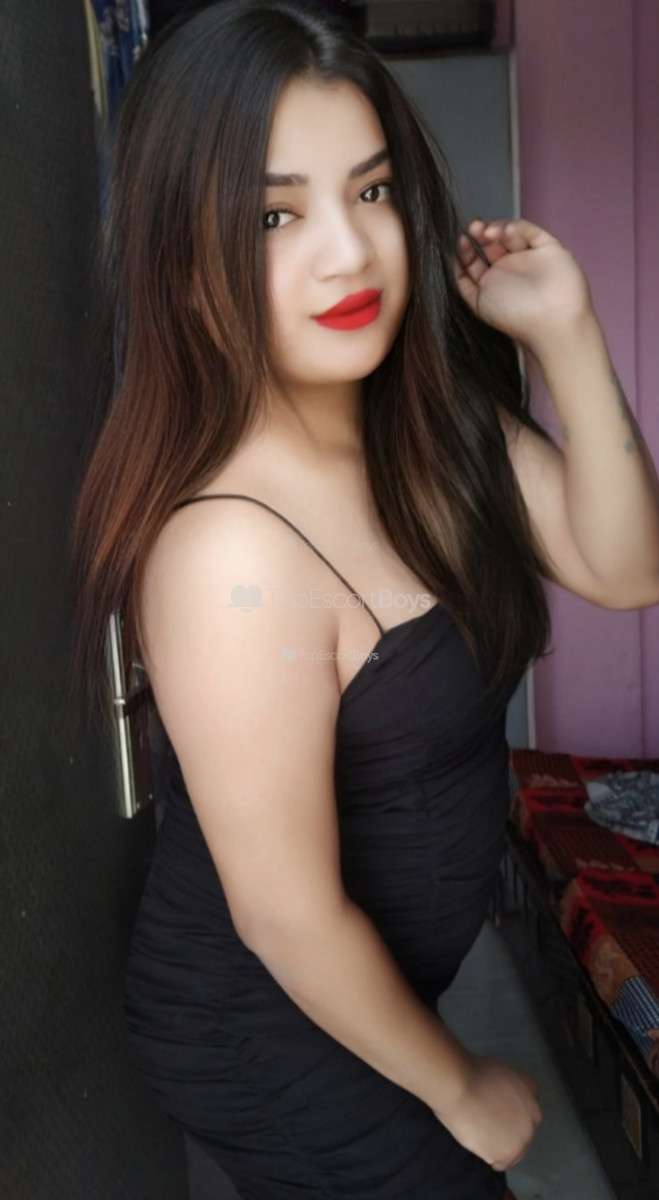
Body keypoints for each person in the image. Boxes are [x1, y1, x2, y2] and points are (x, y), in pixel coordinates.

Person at [71, 0, 659, 1195]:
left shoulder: (433, 431)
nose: (348, 252)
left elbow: (624, 567)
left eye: (372, 190)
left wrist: (565, 333)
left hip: (365, 988)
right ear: (186, 253)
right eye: (274, 214)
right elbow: (284, 917)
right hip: (261, 1020)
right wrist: (456, 1082)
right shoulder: (229, 552)